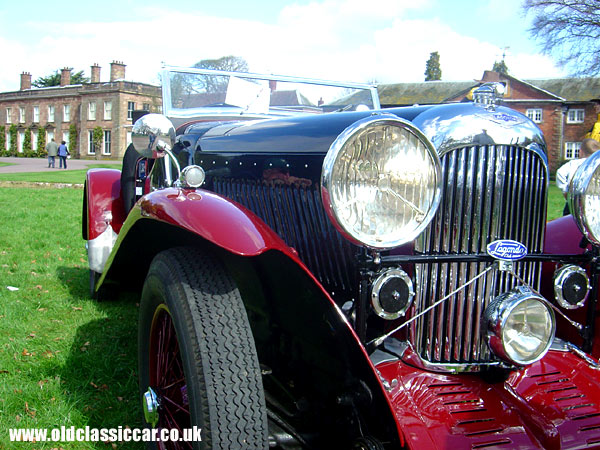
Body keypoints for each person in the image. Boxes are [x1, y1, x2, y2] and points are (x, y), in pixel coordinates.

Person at [556, 138, 600, 215]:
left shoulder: (573, 164)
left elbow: (560, 173)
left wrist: (565, 190)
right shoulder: (597, 165)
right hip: (594, 202)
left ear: (580, 152)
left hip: (574, 200)